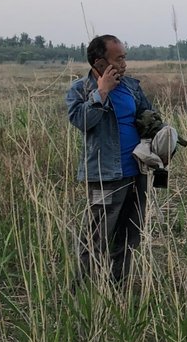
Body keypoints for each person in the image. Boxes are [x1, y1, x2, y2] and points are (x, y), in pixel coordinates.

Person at [67, 34, 158, 284]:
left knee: (129, 234)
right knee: (97, 236)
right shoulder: (81, 90)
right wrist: (102, 93)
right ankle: (84, 289)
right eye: (118, 59)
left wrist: (159, 132)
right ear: (99, 63)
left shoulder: (130, 86)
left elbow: (147, 115)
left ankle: (117, 286)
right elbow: (83, 122)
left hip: (136, 171)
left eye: (124, 58)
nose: (124, 64)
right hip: (105, 175)